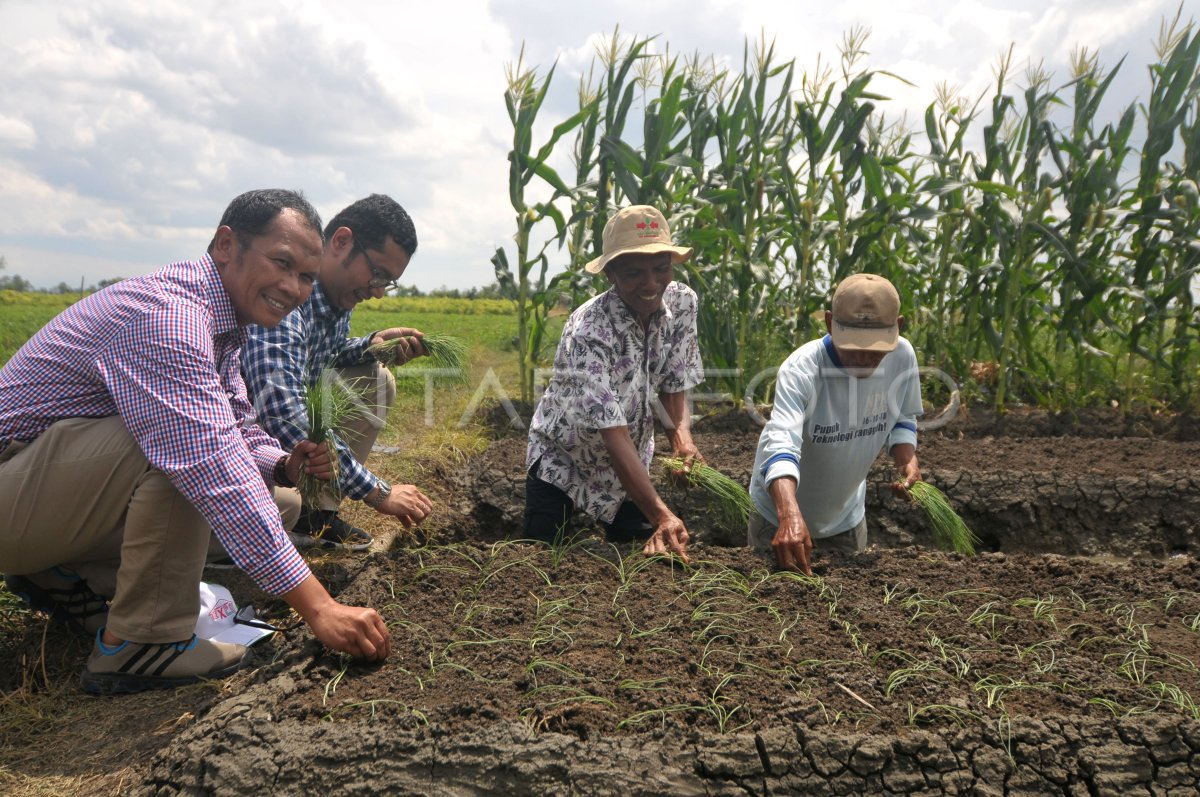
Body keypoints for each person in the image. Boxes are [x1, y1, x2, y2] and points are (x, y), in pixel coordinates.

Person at [0, 189, 393, 695]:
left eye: (305, 277)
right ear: (226, 245)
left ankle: (64, 572)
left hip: (38, 492)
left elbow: (237, 425)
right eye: (282, 263)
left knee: (282, 502)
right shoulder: (171, 319)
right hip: (14, 484)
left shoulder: (224, 318)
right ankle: (142, 643)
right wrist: (320, 606)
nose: (293, 288)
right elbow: (212, 461)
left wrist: (282, 465)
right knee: (176, 452)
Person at [241, 194, 434, 552]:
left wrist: (372, 345)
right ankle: (280, 514)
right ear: (342, 242)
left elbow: (322, 355)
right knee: (282, 505)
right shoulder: (286, 298)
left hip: (278, 442)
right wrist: (379, 493)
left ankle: (317, 515)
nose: (377, 292)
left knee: (375, 377)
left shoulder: (335, 299)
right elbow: (285, 415)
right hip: (249, 436)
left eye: (387, 282)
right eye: (377, 274)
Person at [525, 204, 704, 560]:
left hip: (630, 466)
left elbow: (674, 379)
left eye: (661, 268)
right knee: (539, 566)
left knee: (640, 564)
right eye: (634, 272)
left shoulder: (683, 302)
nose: (651, 283)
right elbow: (613, 431)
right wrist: (661, 514)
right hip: (565, 460)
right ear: (610, 273)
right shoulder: (588, 330)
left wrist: (681, 440)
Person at [749, 273, 923, 575]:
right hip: (778, 518)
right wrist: (789, 515)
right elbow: (781, 445)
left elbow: (902, 416)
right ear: (830, 323)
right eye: (855, 346)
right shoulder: (801, 370)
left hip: (846, 519)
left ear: (898, 327)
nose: (866, 358)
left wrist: (906, 459)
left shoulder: (902, 356)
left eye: (876, 347)